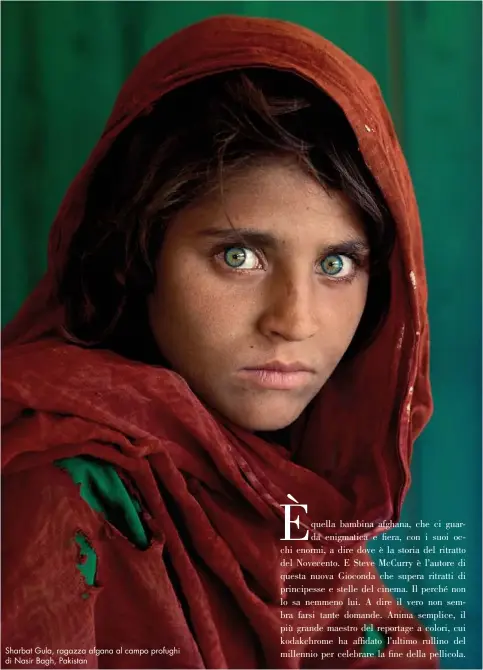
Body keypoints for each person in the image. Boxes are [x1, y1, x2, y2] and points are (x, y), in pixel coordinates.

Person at [2, 14, 436, 670]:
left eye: (336, 264)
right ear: (139, 252)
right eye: (239, 255)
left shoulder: (294, 495)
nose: (294, 320)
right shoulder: (56, 490)